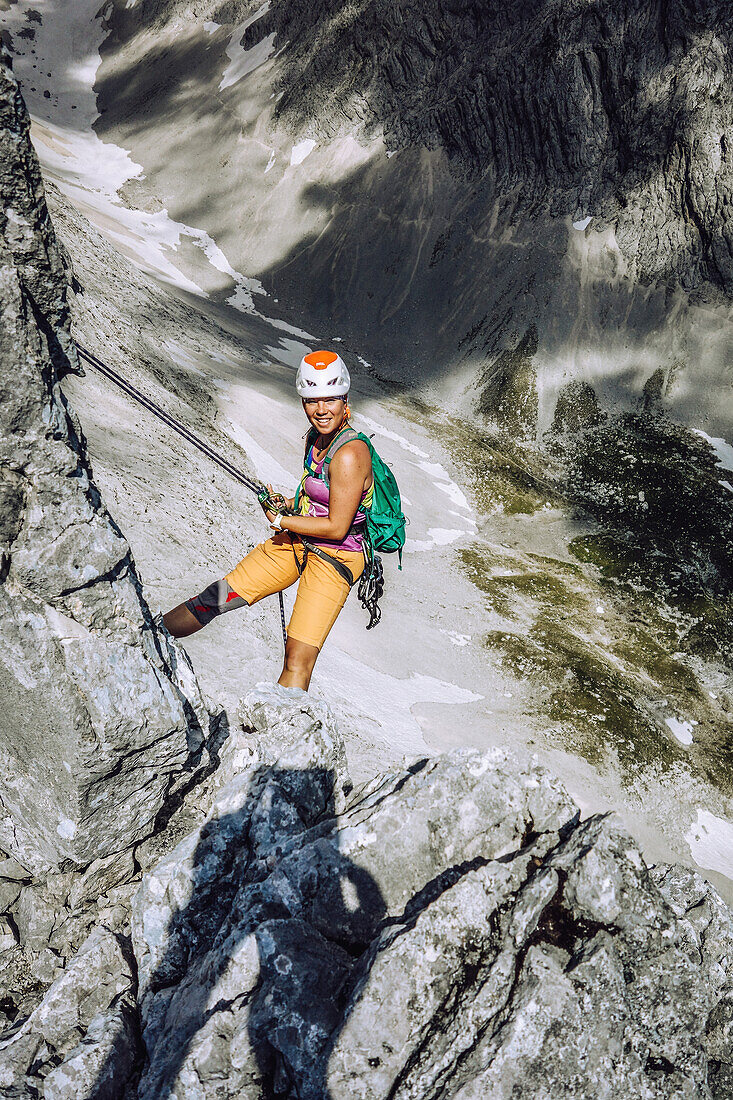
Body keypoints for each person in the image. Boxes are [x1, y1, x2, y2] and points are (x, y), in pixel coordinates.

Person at [162, 350, 373, 691]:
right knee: (214, 598)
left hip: (336, 557)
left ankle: (282, 733)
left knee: (297, 661)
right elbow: (317, 499)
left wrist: (284, 521)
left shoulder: (350, 454)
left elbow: (336, 526)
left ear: (345, 399)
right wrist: (288, 505)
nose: (321, 410)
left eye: (330, 400)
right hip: (299, 541)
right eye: (312, 401)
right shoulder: (316, 439)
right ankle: (146, 638)